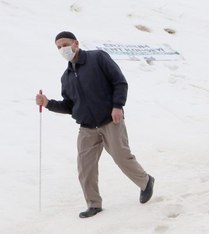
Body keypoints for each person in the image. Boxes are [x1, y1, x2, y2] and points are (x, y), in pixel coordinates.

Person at [35, 31, 154, 218]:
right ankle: (94, 204)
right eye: (58, 47)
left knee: (122, 157)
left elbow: (119, 82)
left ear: (76, 43)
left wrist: (117, 106)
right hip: (86, 127)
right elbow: (69, 105)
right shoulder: (66, 77)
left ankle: (146, 182)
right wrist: (48, 103)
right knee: (85, 167)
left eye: (65, 44)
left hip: (110, 120)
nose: (62, 49)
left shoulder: (97, 58)